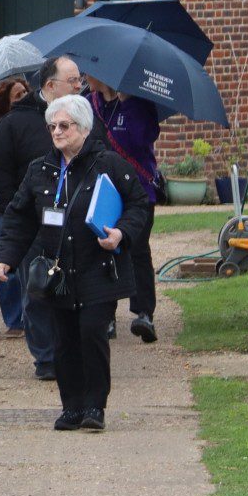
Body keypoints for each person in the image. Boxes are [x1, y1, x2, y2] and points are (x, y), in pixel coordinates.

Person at [0, 94, 152, 432]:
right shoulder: (41, 169)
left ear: (83, 128)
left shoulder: (109, 164)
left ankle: (95, 406)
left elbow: (138, 204)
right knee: (63, 340)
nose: (57, 132)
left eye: (64, 125)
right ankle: (71, 407)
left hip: (98, 268)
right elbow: (19, 217)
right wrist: (5, 259)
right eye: (52, 126)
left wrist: (121, 234)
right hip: (58, 271)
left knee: (92, 333)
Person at [0, 54, 84, 379]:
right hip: (35, 225)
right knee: (38, 290)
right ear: (50, 86)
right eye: (73, 81)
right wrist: (17, 210)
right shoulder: (15, 123)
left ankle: (70, 353)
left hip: (75, 222)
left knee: (74, 291)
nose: (79, 85)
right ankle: (45, 358)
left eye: (79, 80)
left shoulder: (86, 121)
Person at [86, 75, 164, 344]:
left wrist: (127, 103)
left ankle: (144, 313)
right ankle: (106, 314)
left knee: (137, 249)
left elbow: (142, 139)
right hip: (103, 192)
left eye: (89, 72)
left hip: (139, 190)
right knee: (102, 249)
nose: (85, 77)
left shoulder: (140, 105)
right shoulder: (88, 104)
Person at [0, 77, 29, 337]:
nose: (23, 97)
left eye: (25, 92)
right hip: (2, 203)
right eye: (17, 95)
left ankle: (30, 312)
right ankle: (14, 318)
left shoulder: (36, 120)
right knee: (4, 261)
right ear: (5, 101)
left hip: (29, 198)